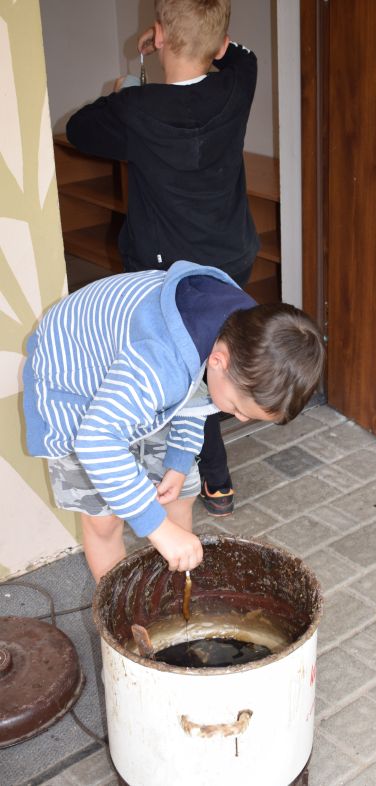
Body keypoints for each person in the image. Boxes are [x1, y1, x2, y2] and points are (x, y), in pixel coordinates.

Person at [65, 0, 259, 518]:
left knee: (186, 365)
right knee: (216, 354)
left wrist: (125, 88)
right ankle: (215, 481)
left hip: (166, 274)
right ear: (218, 45)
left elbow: (80, 128)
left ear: (158, 35)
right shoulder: (237, 84)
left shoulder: (135, 109)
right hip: (231, 258)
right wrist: (205, 43)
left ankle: (207, 474)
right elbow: (241, 55)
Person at [22, 262, 325, 583]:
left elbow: (197, 391)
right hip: (75, 381)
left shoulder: (246, 332)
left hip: (138, 371)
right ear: (219, 361)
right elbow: (96, 441)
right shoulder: (162, 364)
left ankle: (173, 592)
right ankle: (116, 606)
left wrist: (179, 462)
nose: (240, 418)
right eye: (239, 408)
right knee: (104, 519)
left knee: (181, 491)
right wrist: (158, 528)